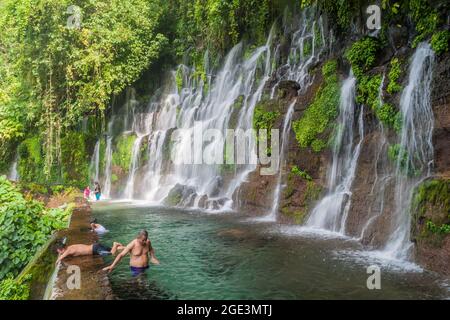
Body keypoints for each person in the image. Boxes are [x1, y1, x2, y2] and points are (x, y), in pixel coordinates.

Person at [56, 241, 124, 264]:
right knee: (112, 249)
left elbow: (60, 258)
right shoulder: (70, 247)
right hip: (95, 246)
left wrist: (56, 262)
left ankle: (115, 244)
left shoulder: (68, 251)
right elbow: (62, 254)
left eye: (60, 252)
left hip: (95, 249)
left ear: (62, 249)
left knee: (111, 253)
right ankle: (126, 248)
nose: (60, 253)